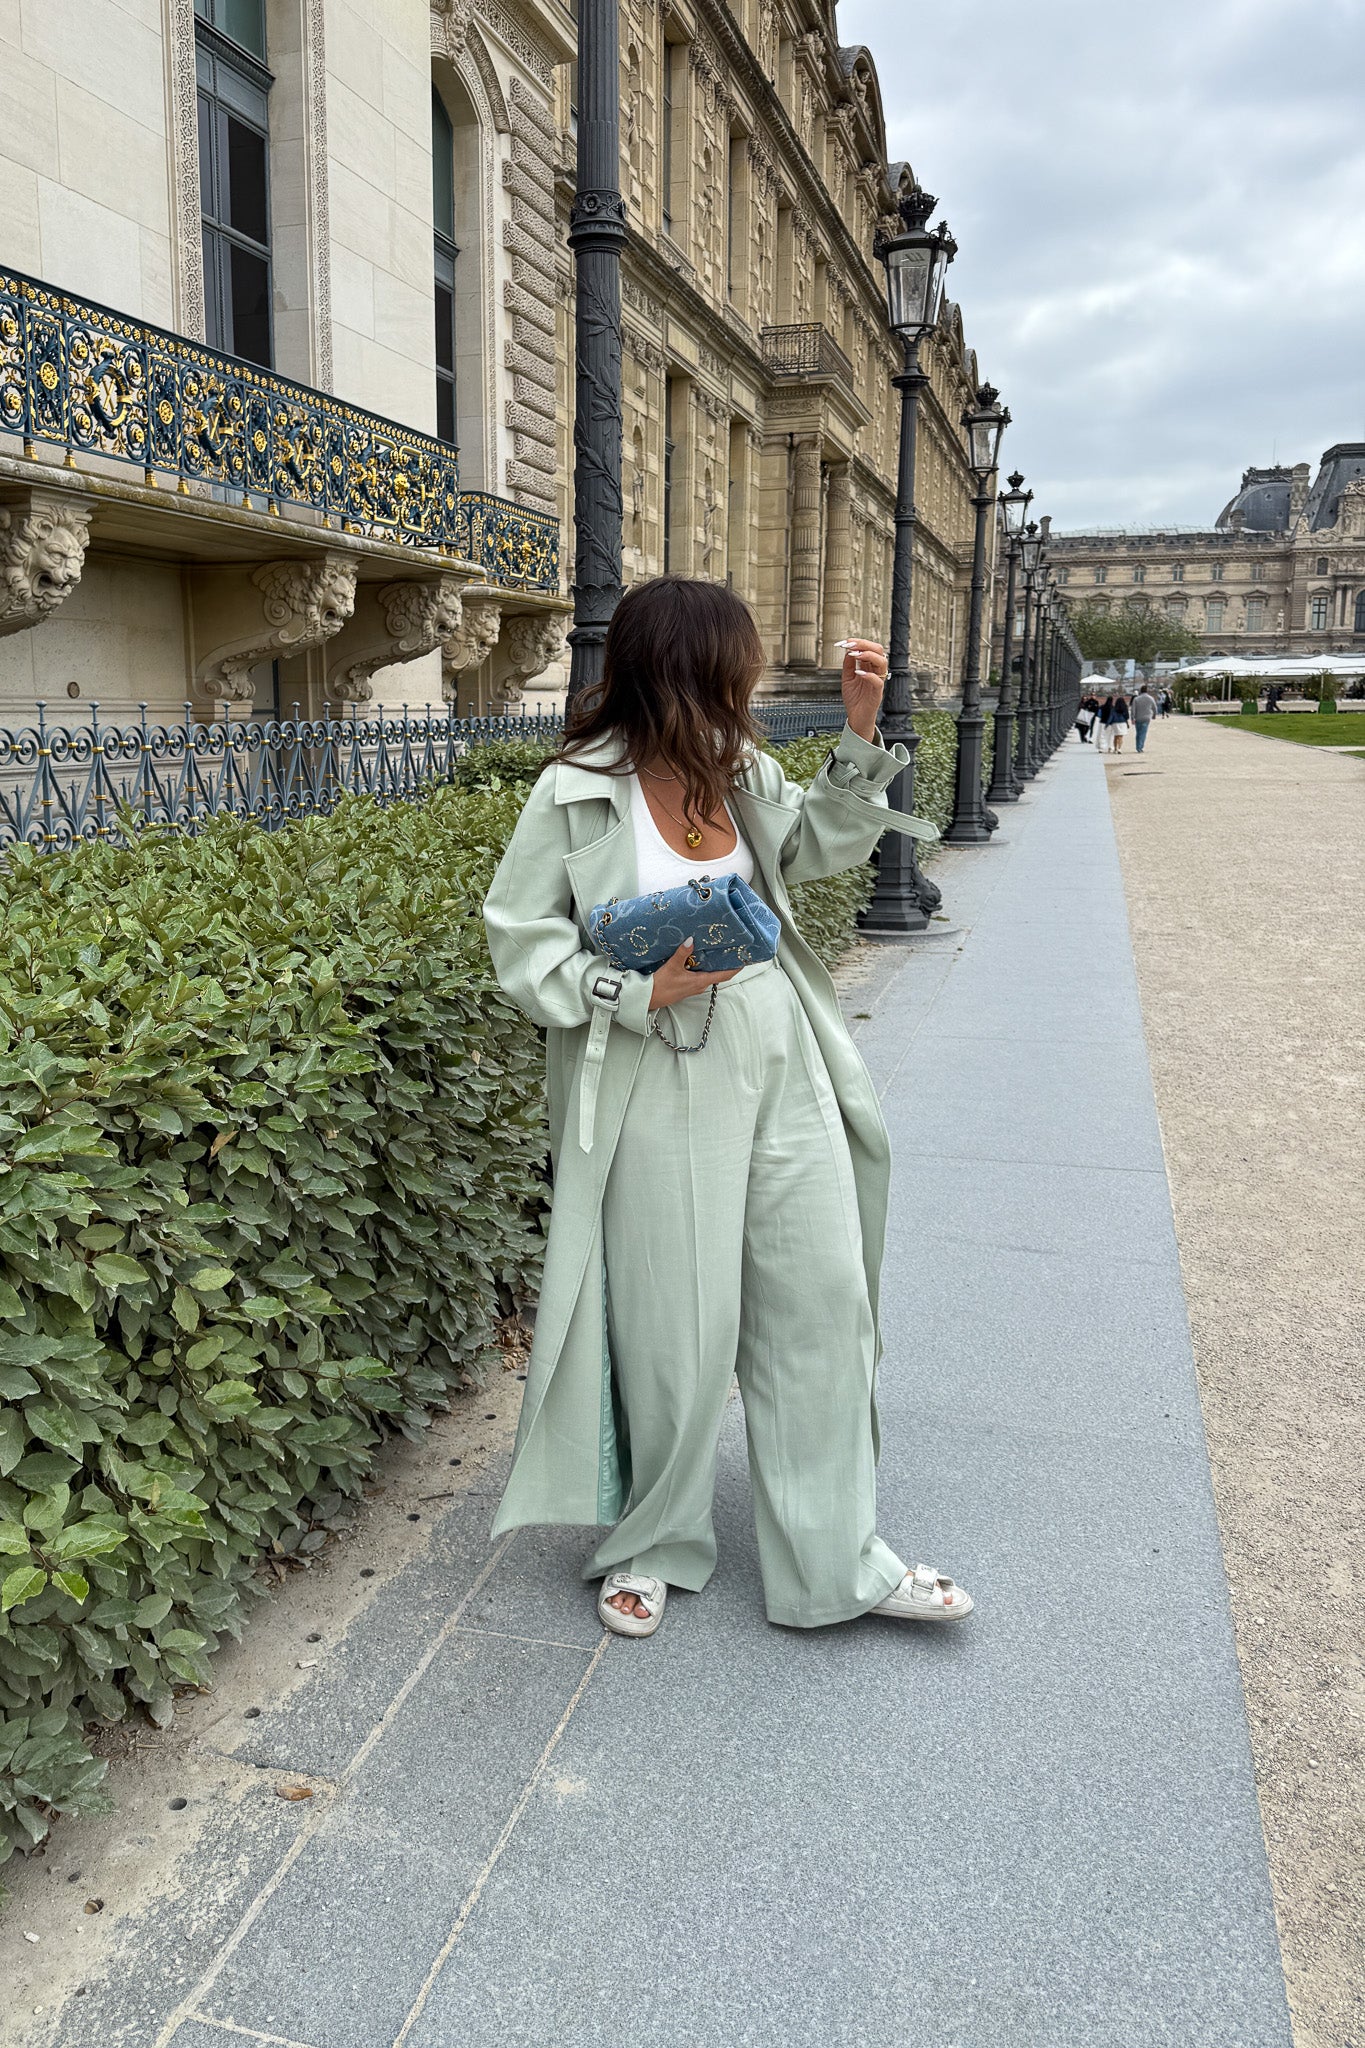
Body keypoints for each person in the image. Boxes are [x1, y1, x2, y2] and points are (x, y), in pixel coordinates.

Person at [482, 577, 973, 1639]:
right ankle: (651, 1540)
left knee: (822, 1294)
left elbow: (816, 848)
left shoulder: (738, 765)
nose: (744, 685)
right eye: (732, 666)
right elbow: (520, 939)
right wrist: (629, 988)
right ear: (683, 669)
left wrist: (856, 730)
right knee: (673, 1319)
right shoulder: (573, 789)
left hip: (775, 1042)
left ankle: (837, 1555)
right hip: (657, 1064)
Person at [1131, 684, 1158, 752]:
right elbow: (1154, 708)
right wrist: (1154, 715)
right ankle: (1140, 747)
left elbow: (1133, 709)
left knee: (1138, 733)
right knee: (1143, 733)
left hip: (1138, 717)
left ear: (1140, 691)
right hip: (1146, 718)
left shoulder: (1136, 699)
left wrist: (1132, 718)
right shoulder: (1150, 698)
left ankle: (1138, 747)